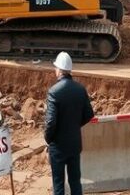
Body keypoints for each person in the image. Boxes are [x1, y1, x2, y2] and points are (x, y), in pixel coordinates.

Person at [44, 52, 94, 195]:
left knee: (58, 184)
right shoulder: (80, 89)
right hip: (74, 144)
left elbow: (50, 122)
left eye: (55, 68)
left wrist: (48, 138)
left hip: (58, 147)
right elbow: (89, 114)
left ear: (59, 70)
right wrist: (74, 126)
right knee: (75, 182)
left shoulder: (54, 92)